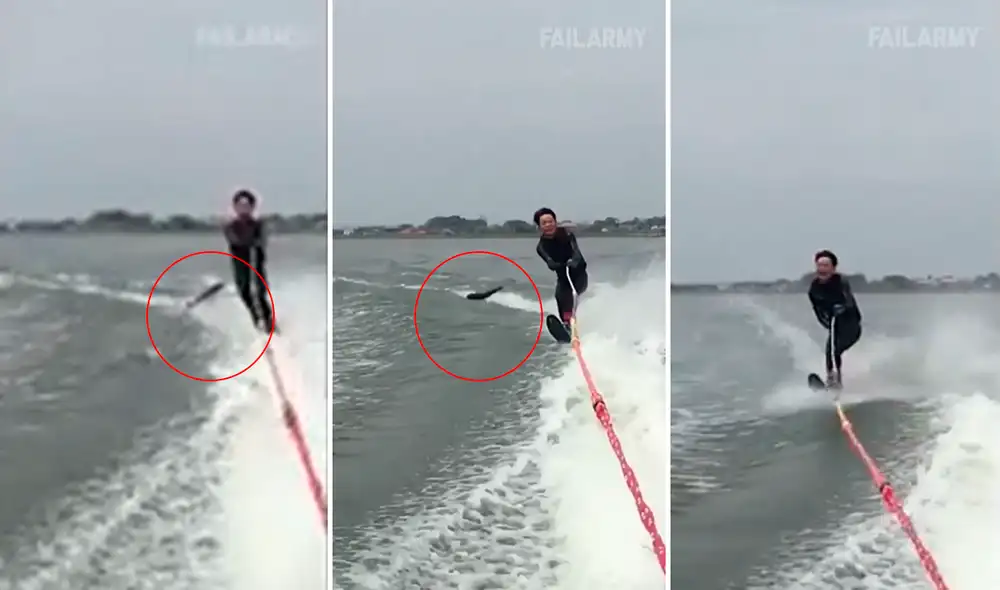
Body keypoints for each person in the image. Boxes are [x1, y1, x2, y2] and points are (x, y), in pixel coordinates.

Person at [808, 250, 862, 388]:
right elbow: (818, 312)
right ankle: (832, 381)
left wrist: (842, 307)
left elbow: (849, 301)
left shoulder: (841, 281)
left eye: (826, 265)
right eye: (819, 265)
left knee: (834, 351)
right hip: (834, 327)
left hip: (852, 326)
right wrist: (826, 321)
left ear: (833, 268)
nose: (822, 269)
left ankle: (837, 383)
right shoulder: (814, 289)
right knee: (829, 352)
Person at [223, 189, 275, 332]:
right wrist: (247, 243)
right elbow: (233, 240)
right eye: (240, 206)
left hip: (256, 264)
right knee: (245, 292)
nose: (244, 209)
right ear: (235, 207)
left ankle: (270, 323)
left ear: (252, 207)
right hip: (240, 265)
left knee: (260, 293)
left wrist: (258, 242)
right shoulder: (230, 226)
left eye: (247, 206)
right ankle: (257, 322)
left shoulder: (259, 224)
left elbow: (263, 239)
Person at [533, 207, 588, 330]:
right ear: (539, 227)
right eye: (544, 223)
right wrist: (553, 264)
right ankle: (567, 326)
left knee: (570, 298)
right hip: (564, 278)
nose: (548, 225)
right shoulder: (541, 247)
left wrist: (574, 261)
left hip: (579, 276)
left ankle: (572, 322)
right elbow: (549, 261)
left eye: (550, 221)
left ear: (555, 222)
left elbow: (576, 252)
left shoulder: (567, 234)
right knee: (560, 296)